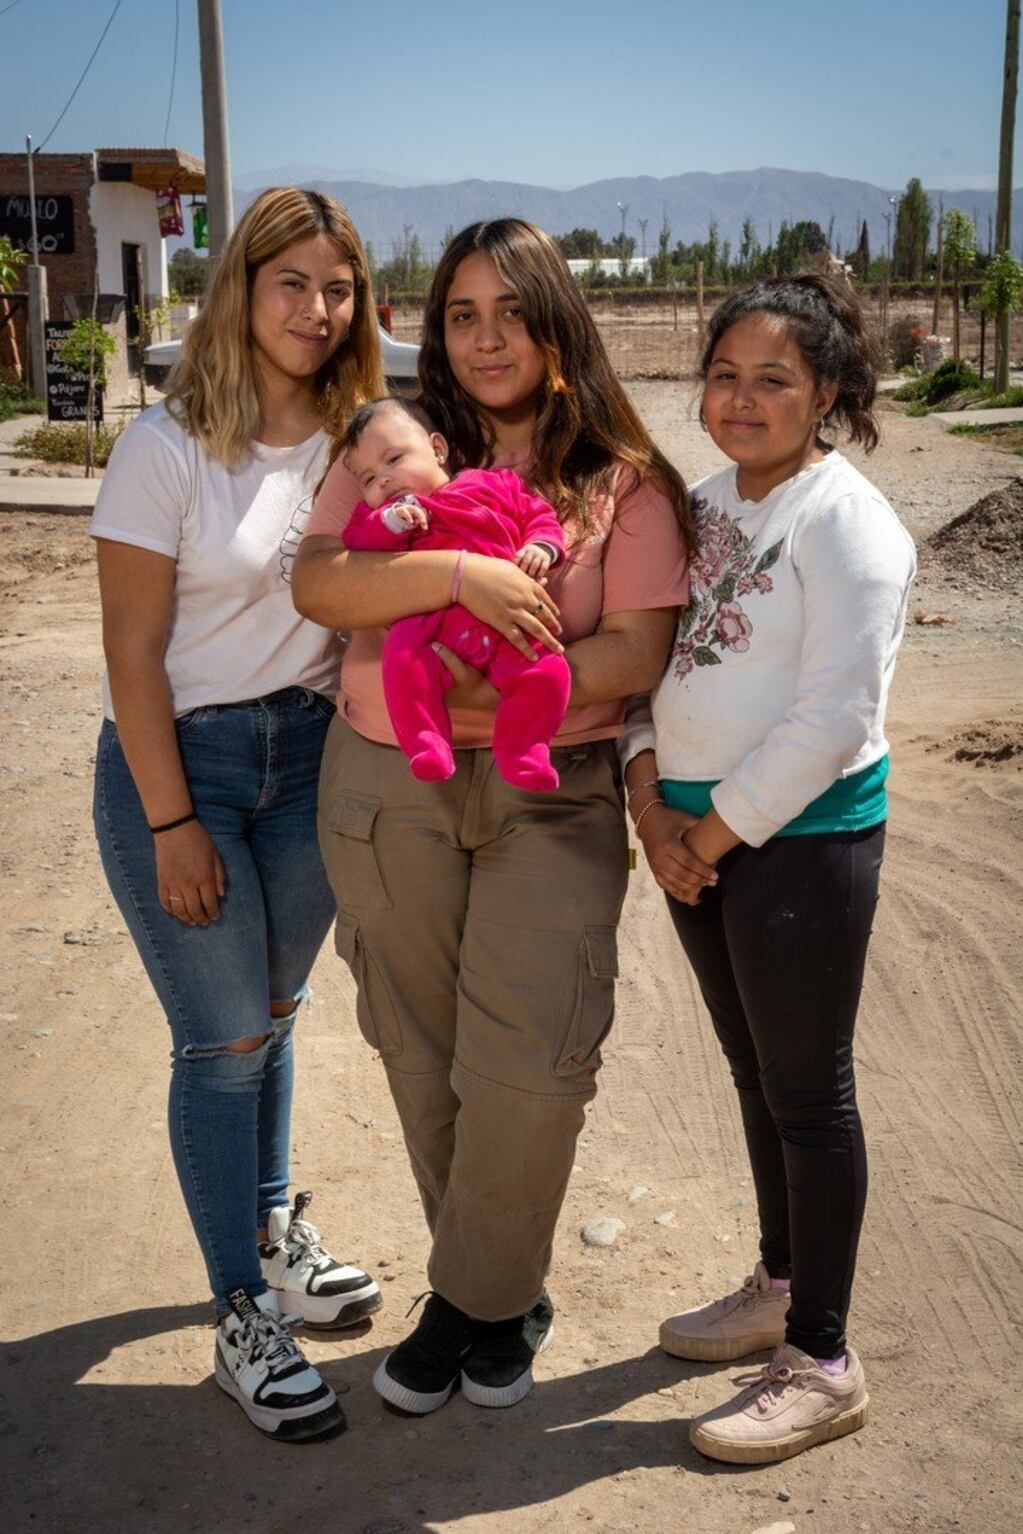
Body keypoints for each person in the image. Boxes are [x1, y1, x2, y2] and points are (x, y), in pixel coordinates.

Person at [292, 217, 690, 1415]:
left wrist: (494, 656)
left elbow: (634, 649)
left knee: (531, 1065)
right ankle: (500, 1292)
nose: (483, 338)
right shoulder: (393, 443)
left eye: (508, 311)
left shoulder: (622, 475)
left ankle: (467, 1300)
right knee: (420, 1050)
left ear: (557, 319)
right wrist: (461, 582)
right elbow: (322, 580)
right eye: (460, 314)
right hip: (383, 780)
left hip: (547, 791)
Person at [91, 187, 386, 1443]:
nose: (317, 310)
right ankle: (237, 1316)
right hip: (189, 768)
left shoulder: (355, 441)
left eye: (338, 287)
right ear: (239, 291)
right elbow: (133, 654)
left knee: (272, 1017)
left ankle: (272, 1239)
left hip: (309, 761)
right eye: (292, 283)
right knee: (218, 1043)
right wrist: (170, 825)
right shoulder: (164, 449)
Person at [620, 272, 916, 1464]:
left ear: (830, 392)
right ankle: (780, 1283)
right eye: (725, 374)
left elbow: (835, 715)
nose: (741, 400)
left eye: (775, 380)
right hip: (698, 841)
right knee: (754, 1073)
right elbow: (646, 663)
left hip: (799, 842)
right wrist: (648, 799)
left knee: (809, 1091)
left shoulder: (851, 525)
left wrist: (712, 831)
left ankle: (826, 1359)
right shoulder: (696, 505)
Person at [341, 395, 571, 789]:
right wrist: (391, 523)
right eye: (367, 479)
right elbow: (359, 543)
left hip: (507, 622)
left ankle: (525, 752)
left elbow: (539, 516)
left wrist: (542, 547)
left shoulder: (494, 484)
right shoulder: (384, 517)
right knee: (401, 657)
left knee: (548, 671)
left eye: (394, 460)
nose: (383, 479)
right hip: (431, 623)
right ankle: (427, 744)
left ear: (437, 449)